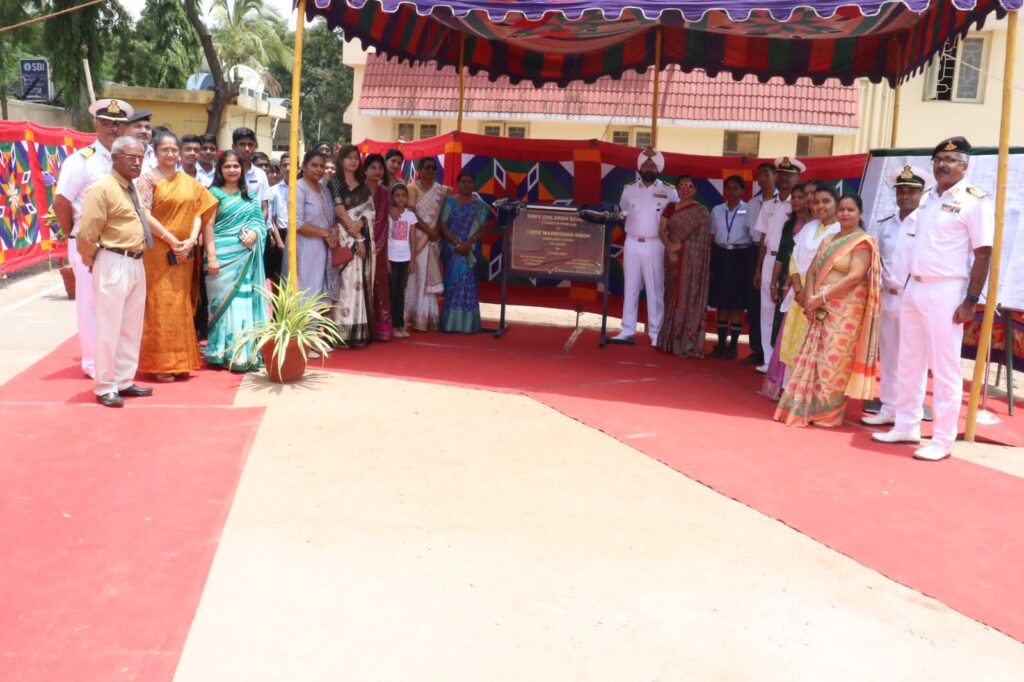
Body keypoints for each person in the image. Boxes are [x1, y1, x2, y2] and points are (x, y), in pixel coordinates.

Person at [873, 137, 994, 461]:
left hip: (947, 289)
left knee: (944, 367)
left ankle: (942, 439)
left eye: (951, 159)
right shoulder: (927, 200)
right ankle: (906, 424)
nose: (943, 164)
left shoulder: (974, 201)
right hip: (916, 286)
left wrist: (970, 300)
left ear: (965, 165)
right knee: (909, 359)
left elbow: (983, 253)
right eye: (939, 158)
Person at [774, 193, 881, 427]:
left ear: (860, 213)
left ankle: (827, 413)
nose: (844, 213)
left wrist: (820, 297)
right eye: (842, 209)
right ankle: (809, 406)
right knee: (815, 355)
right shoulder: (830, 239)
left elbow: (855, 276)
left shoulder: (862, 242)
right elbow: (812, 270)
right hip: (820, 306)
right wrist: (812, 298)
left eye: (850, 210)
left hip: (845, 311)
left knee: (834, 359)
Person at [54, 98, 134, 379]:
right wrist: (75, 235)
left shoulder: (127, 159)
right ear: (95, 124)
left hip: (120, 245)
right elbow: (61, 201)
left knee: (118, 306)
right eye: (107, 122)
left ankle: (115, 362)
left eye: (118, 123)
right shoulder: (82, 160)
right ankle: (92, 363)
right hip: (90, 244)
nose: (113, 128)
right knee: (91, 304)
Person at [74, 136, 154, 407]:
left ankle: (123, 379)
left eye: (140, 158)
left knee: (131, 326)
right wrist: (94, 259)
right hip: (113, 260)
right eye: (131, 157)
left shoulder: (130, 187)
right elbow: (86, 233)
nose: (137, 162)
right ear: (114, 158)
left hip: (135, 260)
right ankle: (105, 385)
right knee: (109, 326)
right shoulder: (103, 187)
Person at [135, 130, 218, 382]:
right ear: (156, 152)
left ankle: (182, 361)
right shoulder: (147, 180)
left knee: (182, 304)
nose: (170, 154)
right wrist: (173, 241)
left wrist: (191, 241)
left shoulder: (189, 182)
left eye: (174, 150)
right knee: (161, 305)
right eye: (165, 150)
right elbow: (145, 215)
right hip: (159, 253)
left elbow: (199, 210)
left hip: (185, 253)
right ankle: (161, 364)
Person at [861, 167, 929, 428]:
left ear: (921, 193)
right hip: (887, 297)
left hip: (914, 297)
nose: (905, 196)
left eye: (911, 191)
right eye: (900, 191)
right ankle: (889, 407)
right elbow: (875, 261)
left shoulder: (926, 224)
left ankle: (908, 412)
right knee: (888, 356)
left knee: (913, 358)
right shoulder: (885, 225)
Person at [763, 183, 836, 400]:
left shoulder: (840, 230)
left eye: (825, 201)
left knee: (815, 345)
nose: (819, 206)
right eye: (815, 201)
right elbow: (793, 259)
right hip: (799, 295)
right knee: (792, 341)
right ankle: (789, 389)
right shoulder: (809, 227)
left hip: (821, 295)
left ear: (836, 203)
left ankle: (809, 393)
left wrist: (810, 292)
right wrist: (797, 288)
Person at [203, 150, 268, 370]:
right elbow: (208, 226)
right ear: (220, 170)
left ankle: (241, 354)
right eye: (227, 166)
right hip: (220, 257)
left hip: (244, 257)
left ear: (243, 169)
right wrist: (211, 257)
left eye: (236, 166)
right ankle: (219, 352)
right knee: (221, 306)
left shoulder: (249, 197)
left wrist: (255, 234)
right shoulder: (212, 193)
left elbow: (260, 223)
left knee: (242, 305)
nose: (232, 170)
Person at [612, 147, 679, 346]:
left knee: (655, 289)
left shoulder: (669, 190)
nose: (648, 167)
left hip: (655, 245)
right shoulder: (629, 189)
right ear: (640, 167)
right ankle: (627, 329)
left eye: (652, 164)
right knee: (630, 287)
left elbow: (676, 219)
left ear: (658, 168)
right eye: (645, 164)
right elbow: (622, 213)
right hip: (632, 242)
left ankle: (656, 334)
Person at [753, 156, 804, 372]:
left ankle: (782, 360)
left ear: (798, 178)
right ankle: (767, 358)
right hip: (768, 261)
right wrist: (758, 268)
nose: (784, 179)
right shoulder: (768, 204)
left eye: (789, 175)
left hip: (790, 263)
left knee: (785, 312)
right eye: (781, 174)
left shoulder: (800, 204)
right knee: (766, 309)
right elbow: (763, 239)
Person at [657, 175, 711, 358]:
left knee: (688, 295)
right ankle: (669, 340)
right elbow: (661, 231)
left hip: (691, 263)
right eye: (681, 186)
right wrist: (669, 248)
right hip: (671, 259)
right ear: (677, 190)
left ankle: (687, 342)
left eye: (689, 186)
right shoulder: (670, 207)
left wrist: (678, 247)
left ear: (695, 189)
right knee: (672, 295)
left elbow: (700, 240)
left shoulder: (701, 212)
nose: (684, 189)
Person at [328, 145, 374, 346]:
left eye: (356, 158)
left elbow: (370, 212)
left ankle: (356, 330)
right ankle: (337, 331)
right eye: (349, 158)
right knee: (343, 282)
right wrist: (356, 235)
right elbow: (338, 211)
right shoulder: (335, 183)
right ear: (341, 160)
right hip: (343, 238)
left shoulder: (364, 187)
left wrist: (361, 226)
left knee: (357, 282)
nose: (353, 161)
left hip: (358, 238)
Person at [709, 175, 754, 359]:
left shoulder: (749, 210)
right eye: (728, 188)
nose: (731, 191)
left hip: (741, 256)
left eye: (736, 188)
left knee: (737, 303)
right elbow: (712, 237)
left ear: (742, 191)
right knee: (721, 302)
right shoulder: (716, 210)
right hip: (720, 255)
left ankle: (733, 346)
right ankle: (720, 344)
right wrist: (711, 263)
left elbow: (754, 237)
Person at [282, 150, 333, 312]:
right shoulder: (298, 188)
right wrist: (325, 233)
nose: (318, 169)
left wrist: (333, 232)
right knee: (302, 291)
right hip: (302, 248)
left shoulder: (325, 190)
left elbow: (330, 219)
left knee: (317, 291)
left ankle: (312, 333)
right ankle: (299, 333)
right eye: (314, 165)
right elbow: (296, 223)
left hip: (322, 249)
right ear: (303, 167)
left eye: (322, 166)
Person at [439, 171, 489, 333]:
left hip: (471, 251)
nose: (466, 184)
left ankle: (469, 325)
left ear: (473, 185)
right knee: (453, 285)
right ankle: (450, 324)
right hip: (453, 250)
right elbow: (443, 224)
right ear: (457, 183)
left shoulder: (480, 206)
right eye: (463, 181)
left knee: (468, 285)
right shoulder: (450, 202)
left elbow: (481, 228)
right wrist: (457, 243)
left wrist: (468, 243)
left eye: (469, 182)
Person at [741, 162, 777, 366]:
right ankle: (758, 349)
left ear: (775, 177)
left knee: (776, 305)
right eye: (759, 176)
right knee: (756, 305)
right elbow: (752, 232)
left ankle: (774, 351)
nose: (762, 179)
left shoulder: (787, 201)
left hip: (777, 254)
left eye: (766, 175)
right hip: (756, 250)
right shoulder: (753, 203)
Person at [405, 156, 447, 331]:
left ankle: (426, 317)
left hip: (433, 240)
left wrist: (435, 232)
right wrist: (429, 231)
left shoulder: (442, 190)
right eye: (426, 167)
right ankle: (410, 315)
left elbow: (445, 212)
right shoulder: (411, 189)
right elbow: (411, 214)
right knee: (415, 276)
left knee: (428, 276)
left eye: (432, 168)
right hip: (418, 237)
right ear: (419, 170)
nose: (429, 171)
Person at [363, 154, 394, 340]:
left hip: (381, 247)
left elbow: (385, 221)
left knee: (380, 284)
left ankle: (381, 329)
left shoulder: (385, 194)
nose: (377, 171)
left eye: (380, 168)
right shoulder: (358, 190)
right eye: (373, 167)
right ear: (365, 170)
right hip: (359, 244)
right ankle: (363, 327)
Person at [388, 183, 416, 338]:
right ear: (392, 197)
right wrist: (385, 260)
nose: (401, 198)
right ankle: (390, 324)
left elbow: (413, 240)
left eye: (403, 195)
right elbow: (385, 239)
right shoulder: (388, 214)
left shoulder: (410, 215)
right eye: (397, 195)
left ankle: (399, 324)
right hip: (391, 258)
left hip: (404, 258)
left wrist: (412, 261)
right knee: (391, 292)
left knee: (400, 292)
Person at [252, 151, 284, 284]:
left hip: (265, 233)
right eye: (260, 165)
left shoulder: (270, 187)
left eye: (266, 165)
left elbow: (269, 213)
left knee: (267, 272)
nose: (264, 168)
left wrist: (269, 232)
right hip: (250, 232)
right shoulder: (249, 182)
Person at [231, 127, 270, 221]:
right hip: (229, 229)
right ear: (234, 147)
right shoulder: (226, 172)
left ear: (254, 147)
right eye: (242, 144)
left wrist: (258, 230)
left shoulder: (261, 174)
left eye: (250, 145)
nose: (247, 149)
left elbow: (264, 208)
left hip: (255, 228)